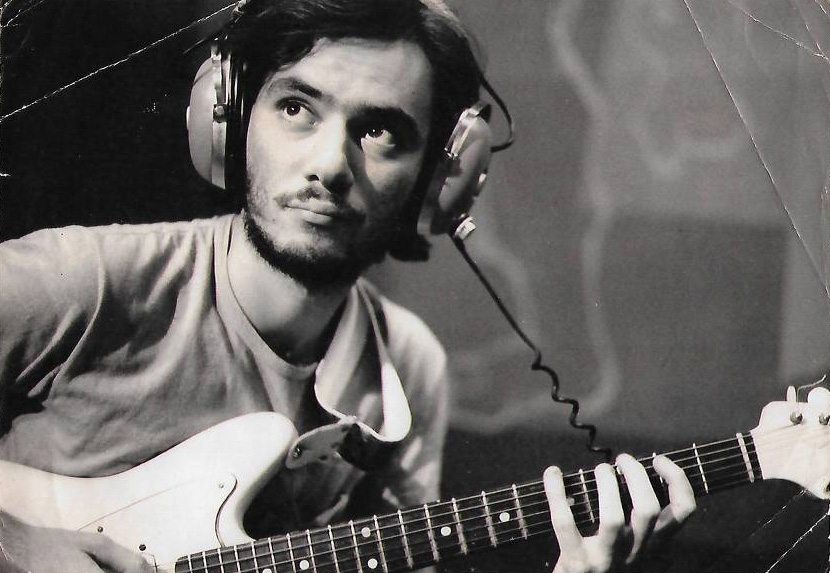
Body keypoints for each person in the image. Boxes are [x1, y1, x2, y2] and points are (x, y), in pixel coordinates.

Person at [0, 0, 696, 572]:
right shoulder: (85, 282)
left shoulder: (408, 369)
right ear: (231, 120)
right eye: (296, 108)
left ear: (439, 178)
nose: (330, 165)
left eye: (381, 131)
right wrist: (17, 547)